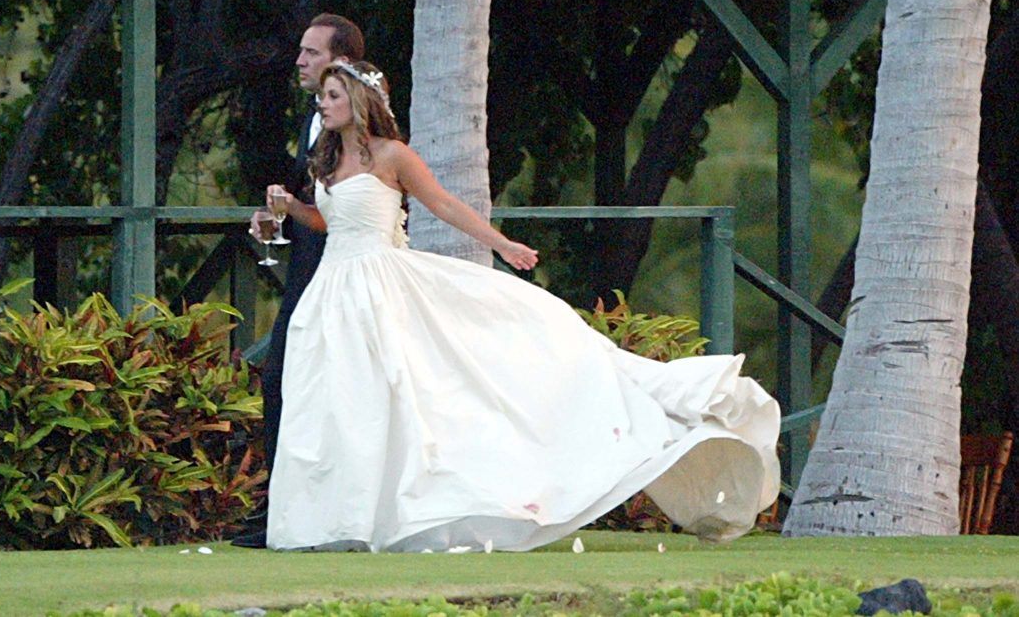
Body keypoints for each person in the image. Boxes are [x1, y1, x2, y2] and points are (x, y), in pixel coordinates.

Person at [264, 60, 781, 553]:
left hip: (381, 285)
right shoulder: (327, 159)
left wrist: (501, 244)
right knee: (337, 402)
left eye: (332, 96)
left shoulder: (392, 154)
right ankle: (336, 519)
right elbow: (330, 222)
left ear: (357, 100)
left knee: (402, 393)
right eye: (322, 96)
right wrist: (290, 209)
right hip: (334, 289)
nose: (322, 104)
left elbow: (443, 203)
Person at [232, 14, 366, 549]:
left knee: (292, 383)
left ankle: (289, 514)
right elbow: (315, 192)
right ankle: (285, 510)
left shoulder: (367, 133)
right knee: (286, 384)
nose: (299, 61)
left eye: (312, 53)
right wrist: (278, 210)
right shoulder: (316, 123)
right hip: (311, 268)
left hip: (343, 272)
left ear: (343, 63)